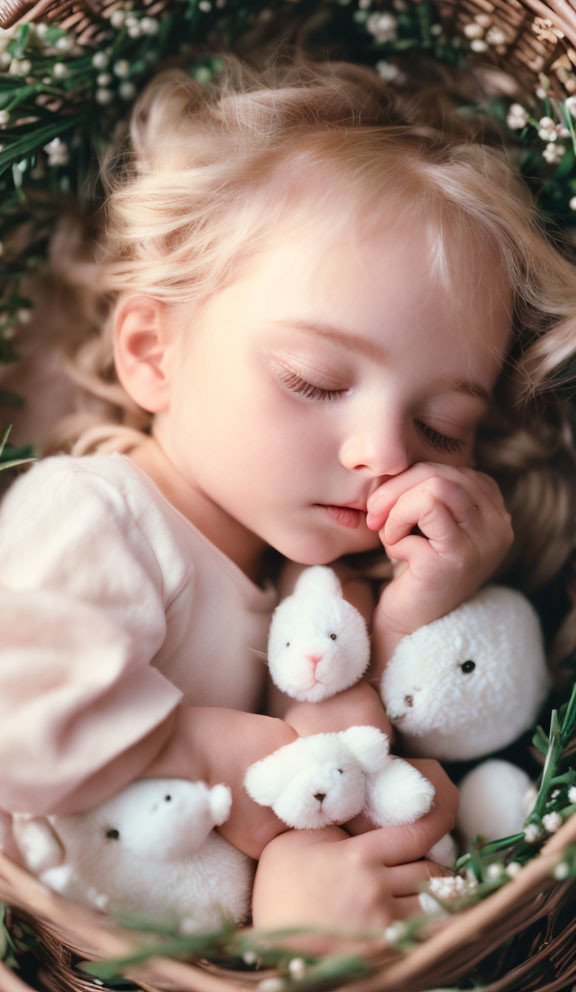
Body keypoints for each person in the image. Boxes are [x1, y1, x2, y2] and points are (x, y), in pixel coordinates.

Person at [0, 52, 574, 932]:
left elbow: (360, 770)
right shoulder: (101, 515)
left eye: (440, 426)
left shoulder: (288, 592)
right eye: (312, 380)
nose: (382, 452)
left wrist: (416, 608)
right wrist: (226, 754)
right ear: (155, 352)